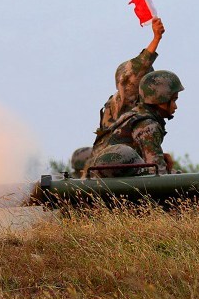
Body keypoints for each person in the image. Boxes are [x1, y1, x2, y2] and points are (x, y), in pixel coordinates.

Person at [69, 17, 165, 177]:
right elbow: (132, 74)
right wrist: (156, 39)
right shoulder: (123, 102)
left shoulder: (129, 107)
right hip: (116, 175)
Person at [85, 70, 184, 178]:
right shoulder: (148, 125)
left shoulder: (133, 115)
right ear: (161, 98)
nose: (175, 106)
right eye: (174, 100)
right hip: (115, 182)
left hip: (103, 178)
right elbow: (157, 173)